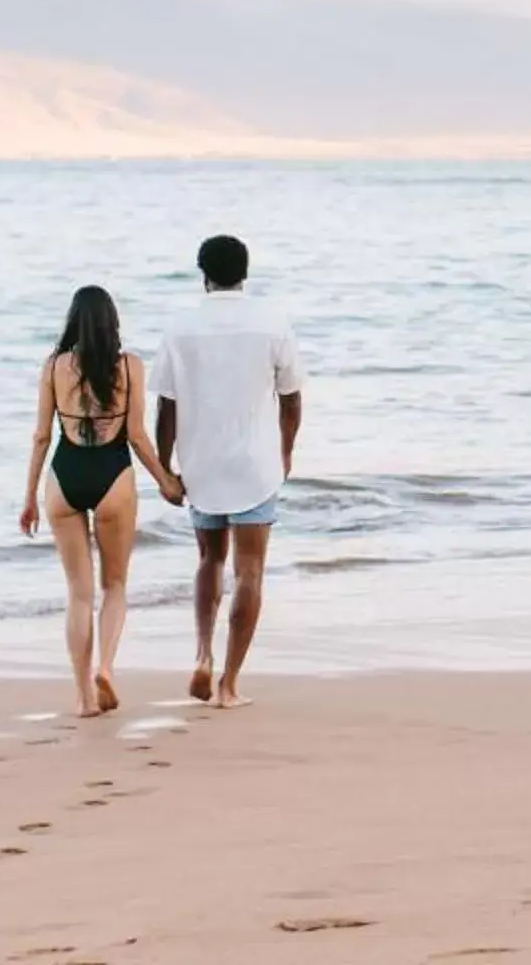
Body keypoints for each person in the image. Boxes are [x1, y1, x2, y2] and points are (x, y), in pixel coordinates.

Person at [151, 234, 304, 708]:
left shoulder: (180, 327)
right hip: (255, 464)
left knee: (209, 561)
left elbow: (166, 407)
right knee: (250, 572)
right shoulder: (273, 321)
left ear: (203, 274)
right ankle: (229, 686)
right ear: (245, 272)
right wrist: (286, 451)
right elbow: (291, 398)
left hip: (202, 465)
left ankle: (202, 654)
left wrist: (166, 467)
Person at [20, 284, 183, 717]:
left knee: (78, 593)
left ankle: (84, 698)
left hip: (64, 477)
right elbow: (136, 436)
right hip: (113, 477)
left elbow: (40, 436)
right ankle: (106, 668)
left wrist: (30, 497)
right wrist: (166, 481)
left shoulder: (54, 366)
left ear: (72, 321)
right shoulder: (129, 367)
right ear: (113, 322)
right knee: (115, 586)